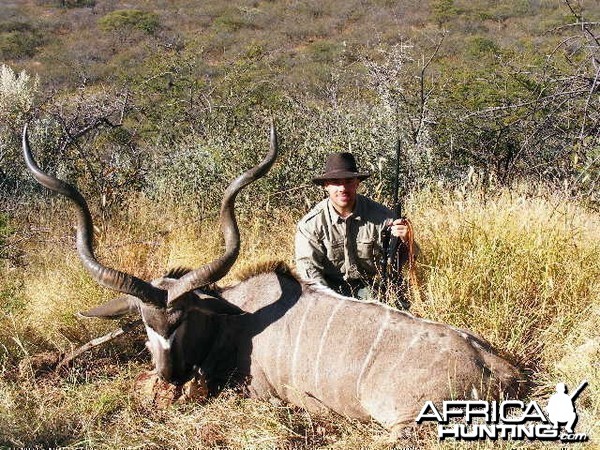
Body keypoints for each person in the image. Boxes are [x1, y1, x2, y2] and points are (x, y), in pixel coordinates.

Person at [295, 152, 412, 304]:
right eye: (336, 182)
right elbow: (310, 272)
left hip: (370, 288)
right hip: (328, 291)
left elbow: (406, 263)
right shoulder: (310, 225)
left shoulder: (383, 217)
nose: (343, 188)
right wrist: (330, 304)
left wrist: (406, 240)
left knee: (401, 304)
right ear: (326, 186)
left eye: (349, 181)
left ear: (357, 183)